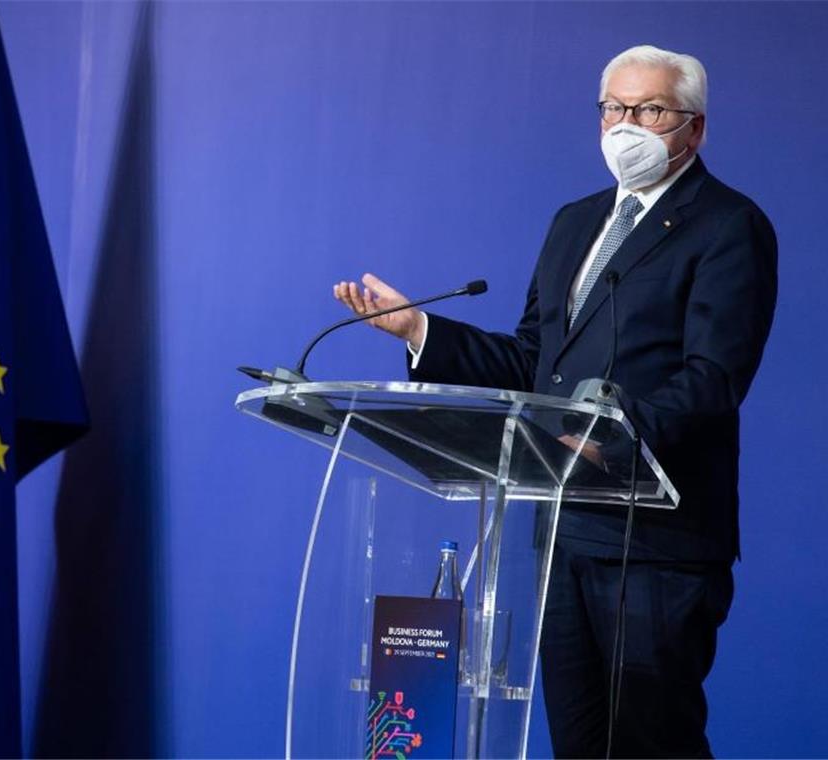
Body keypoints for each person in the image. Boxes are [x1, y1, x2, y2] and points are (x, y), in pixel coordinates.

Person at [333, 45, 777, 758]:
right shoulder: (575, 222)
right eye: (615, 108)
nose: (627, 124)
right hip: (562, 539)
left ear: (693, 127)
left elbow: (713, 378)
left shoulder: (727, 225)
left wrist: (613, 437)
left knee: (649, 743)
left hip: (656, 543)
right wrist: (418, 328)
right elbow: (535, 364)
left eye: (651, 110)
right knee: (577, 743)